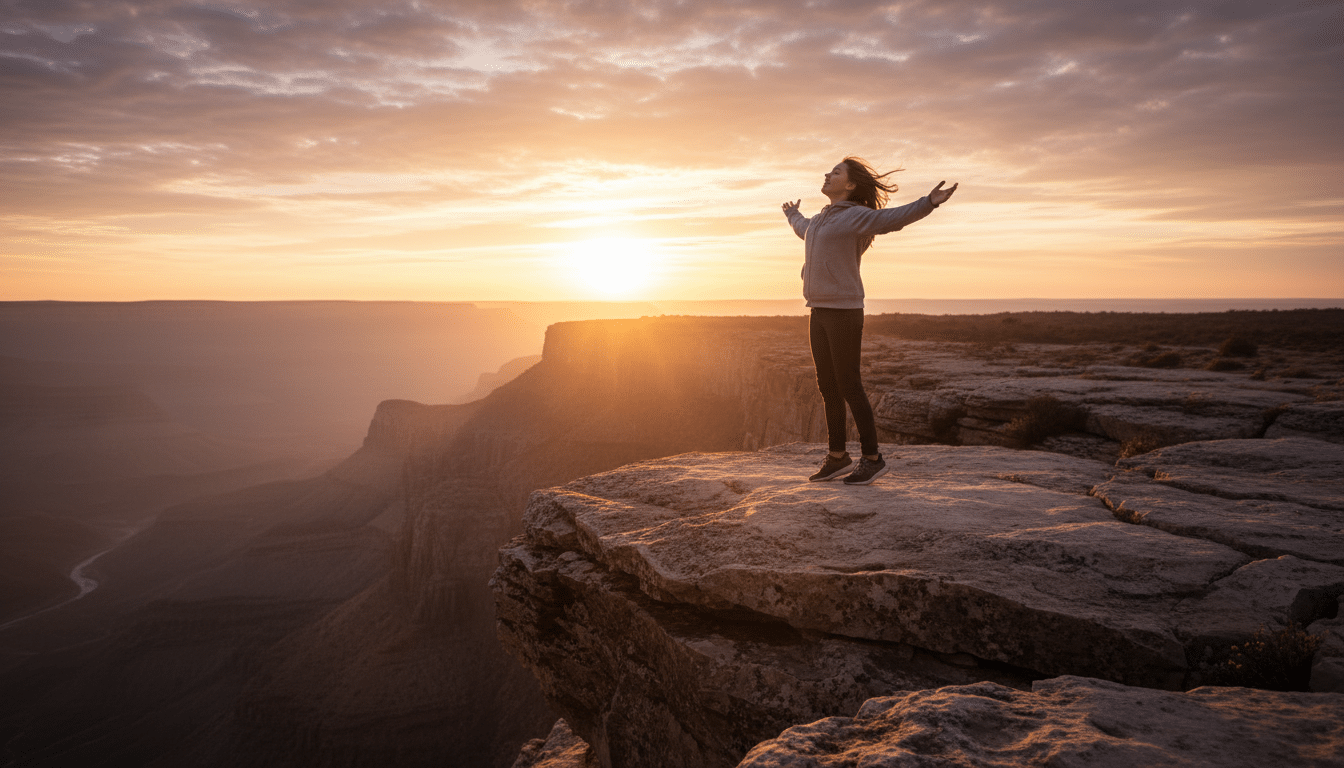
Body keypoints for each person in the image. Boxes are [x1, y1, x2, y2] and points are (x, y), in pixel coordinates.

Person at [782, 157, 957, 485]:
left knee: (849, 384)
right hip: (818, 311)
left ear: (849, 185)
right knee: (827, 386)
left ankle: (873, 458)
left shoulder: (854, 217)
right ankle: (837, 457)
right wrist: (792, 214)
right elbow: (802, 229)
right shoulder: (820, 221)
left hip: (845, 312)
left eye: (836, 172)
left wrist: (928, 203)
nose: (827, 174)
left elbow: (892, 219)